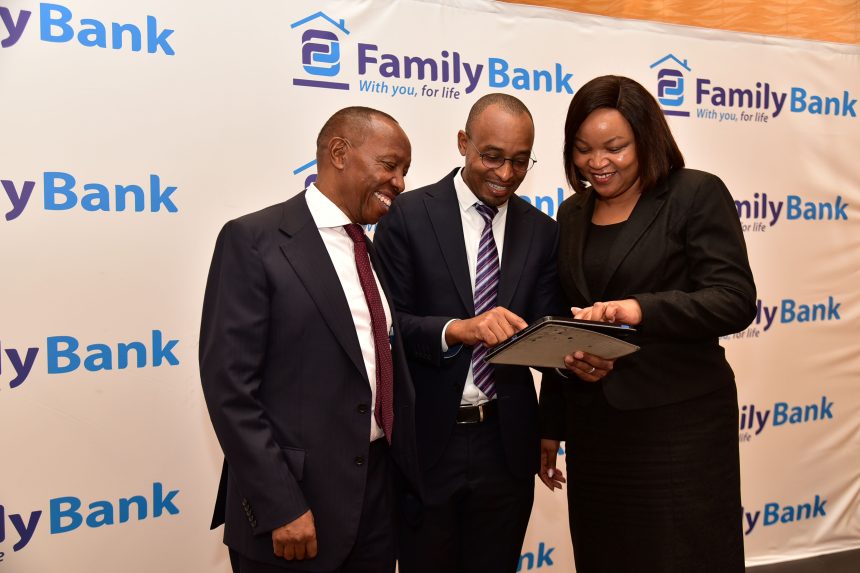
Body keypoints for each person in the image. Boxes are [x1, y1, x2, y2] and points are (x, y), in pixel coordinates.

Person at [539, 75, 757, 572]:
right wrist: (551, 422)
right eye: (583, 149)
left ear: (646, 139)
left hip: (679, 429)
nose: (597, 162)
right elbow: (565, 321)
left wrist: (641, 309)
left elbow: (734, 299)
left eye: (614, 147)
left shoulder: (695, 193)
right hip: (595, 432)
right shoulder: (571, 214)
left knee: (683, 558)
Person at [199, 106, 422, 573]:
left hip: (375, 506)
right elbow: (230, 391)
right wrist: (281, 505)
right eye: (389, 165)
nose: (400, 182)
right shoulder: (253, 240)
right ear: (339, 153)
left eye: (405, 170)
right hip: (294, 512)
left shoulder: (368, 249)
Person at [373, 93, 564, 573]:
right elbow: (386, 327)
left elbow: (546, 331)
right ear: (464, 142)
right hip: (427, 442)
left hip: (507, 444)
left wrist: (574, 350)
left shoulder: (542, 231)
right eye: (492, 156)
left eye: (520, 161)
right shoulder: (407, 214)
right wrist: (457, 330)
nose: (506, 173)